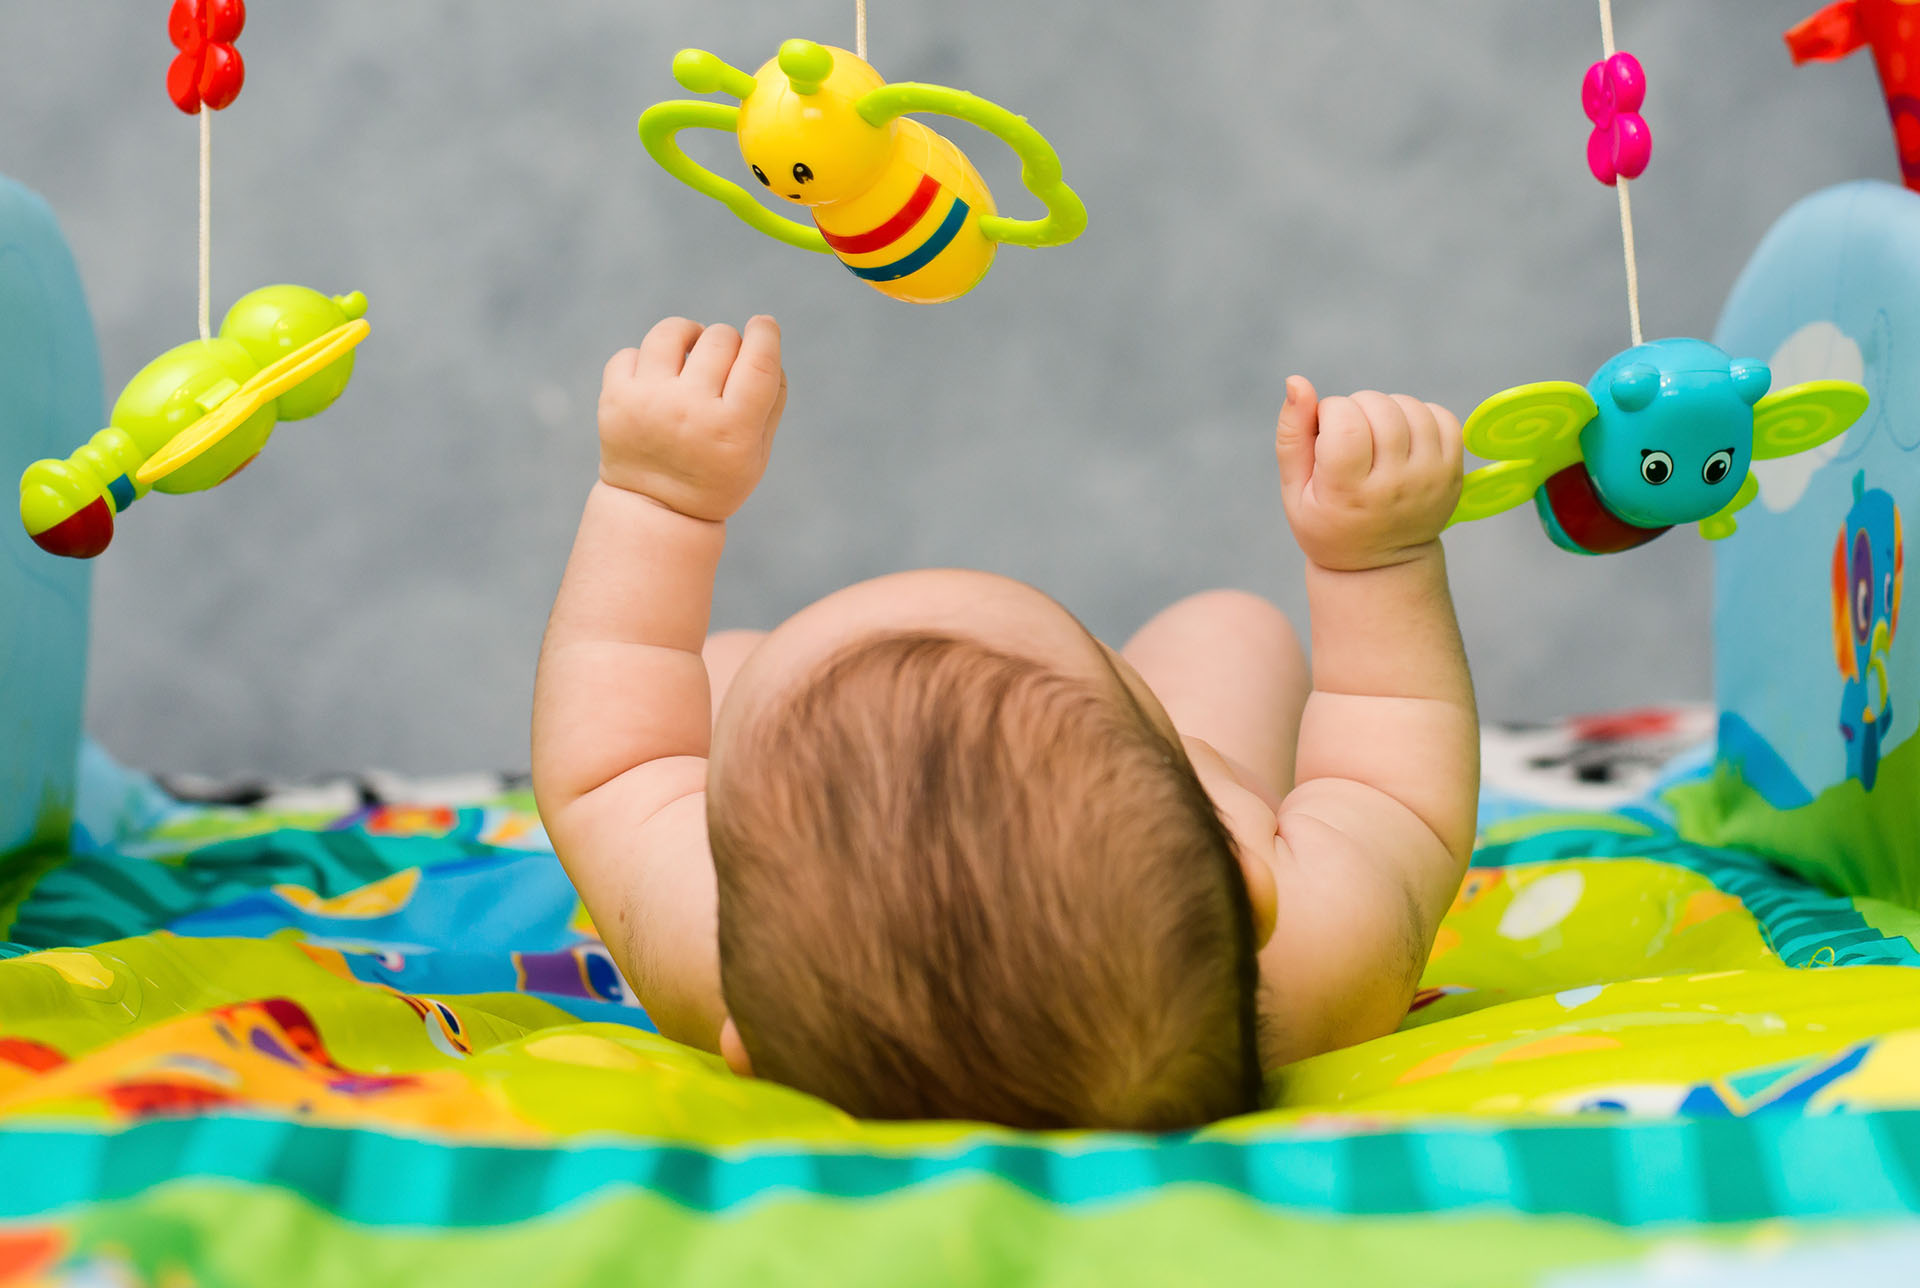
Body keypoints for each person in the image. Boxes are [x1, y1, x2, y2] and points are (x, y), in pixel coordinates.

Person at [532, 315, 1477, 1129]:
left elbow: (620, 757)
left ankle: (766, 676)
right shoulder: (1316, 961)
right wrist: (1376, 562)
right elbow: (1389, 778)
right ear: (1245, 877)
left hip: (1032, 793)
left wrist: (656, 499)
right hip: (1167, 781)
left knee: (727, 655)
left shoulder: (723, 951)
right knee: (1232, 629)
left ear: (742, 1040)